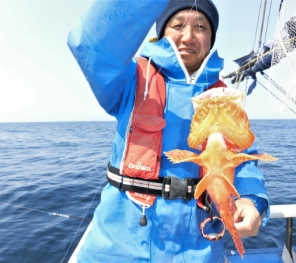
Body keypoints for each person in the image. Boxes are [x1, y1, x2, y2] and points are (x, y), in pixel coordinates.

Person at [68, 0, 269, 262]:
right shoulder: (129, 80)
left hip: (200, 249)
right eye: (177, 25)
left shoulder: (224, 97)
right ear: (161, 32)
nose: (188, 36)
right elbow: (90, 44)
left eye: (201, 27)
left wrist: (253, 201)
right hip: (117, 248)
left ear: (211, 38)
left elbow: (242, 161)